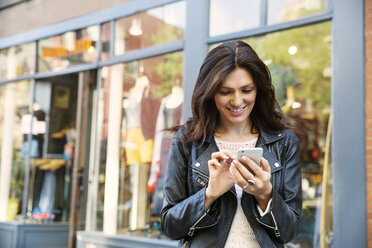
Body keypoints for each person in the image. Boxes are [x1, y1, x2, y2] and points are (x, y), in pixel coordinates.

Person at [160, 40, 302, 247]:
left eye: (246, 90)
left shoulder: (284, 142)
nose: (237, 101)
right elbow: (170, 226)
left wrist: (265, 195)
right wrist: (210, 193)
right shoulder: (187, 141)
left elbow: (290, 231)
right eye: (226, 92)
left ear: (259, 90)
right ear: (209, 92)